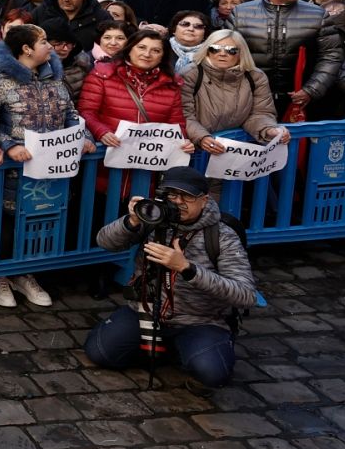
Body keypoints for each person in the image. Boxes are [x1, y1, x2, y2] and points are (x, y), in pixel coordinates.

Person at [85, 167, 256, 392]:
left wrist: (187, 269)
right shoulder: (155, 217)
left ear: (204, 200)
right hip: (145, 310)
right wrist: (132, 220)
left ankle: (189, 349)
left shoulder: (222, 235)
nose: (178, 202)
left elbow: (246, 295)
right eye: (171, 195)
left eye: (187, 196)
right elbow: (105, 241)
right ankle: (159, 345)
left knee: (212, 374)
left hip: (200, 320)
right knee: (101, 353)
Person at [0, 24, 93, 309]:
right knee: (7, 222)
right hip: (12, 170)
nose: (51, 47)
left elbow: (71, 113)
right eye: (44, 41)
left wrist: (83, 136)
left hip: (50, 171)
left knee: (38, 222)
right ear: (26, 49)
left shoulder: (54, 79)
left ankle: (24, 272)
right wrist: (9, 144)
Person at [231, 0, 341, 117]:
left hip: (300, 100)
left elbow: (331, 56)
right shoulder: (240, 13)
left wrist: (311, 90)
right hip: (249, 98)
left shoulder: (317, 14)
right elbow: (226, 53)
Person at [182, 30, 286, 155]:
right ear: (207, 51)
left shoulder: (255, 76)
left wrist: (269, 130)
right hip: (196, 151)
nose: (222, 54)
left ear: (241, 53)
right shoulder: (190, 74)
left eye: (231, 50)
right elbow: (184, 115)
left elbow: (261, 112)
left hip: (235, 153)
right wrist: (202, 138)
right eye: (215, 48)